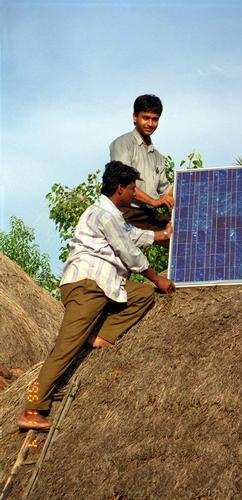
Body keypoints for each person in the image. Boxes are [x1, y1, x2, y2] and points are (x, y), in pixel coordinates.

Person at [17, 161, 175, 431]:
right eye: (133, 189)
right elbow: (129, 251)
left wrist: (164, 234)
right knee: (65, 347)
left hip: (105, 285)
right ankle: (32, 408)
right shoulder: (105, 215)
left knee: (142, 295)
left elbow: (134, 234)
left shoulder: (111, 214)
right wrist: (158, 278)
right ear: (120, 188)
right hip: (88, 285)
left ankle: (99, 334)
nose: (135, 194)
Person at [109, 94, 174, 238]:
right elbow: (124, 182)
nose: (150, 124)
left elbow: (167, 189)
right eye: (146, 118)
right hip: (127, 211)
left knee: (183, 231)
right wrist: (154, 202)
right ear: (135, 117)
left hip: (149, 214)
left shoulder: (157, 157)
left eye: (155, 119)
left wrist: (196, 190)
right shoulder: (123, 143)